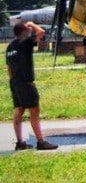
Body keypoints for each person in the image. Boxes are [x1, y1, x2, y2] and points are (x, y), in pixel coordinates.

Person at [5, 21, 58, 150]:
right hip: (26, 83)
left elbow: (9, 68)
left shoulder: (10, 47)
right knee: (34, 111)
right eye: (27, 29)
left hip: (14, 82)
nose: (29, 31)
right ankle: (40, 142)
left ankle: (20, 143)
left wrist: (15, 81)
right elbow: (41, 32)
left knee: (19, 110)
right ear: (23, 31)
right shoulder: (26, 42)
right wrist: (32, 24)